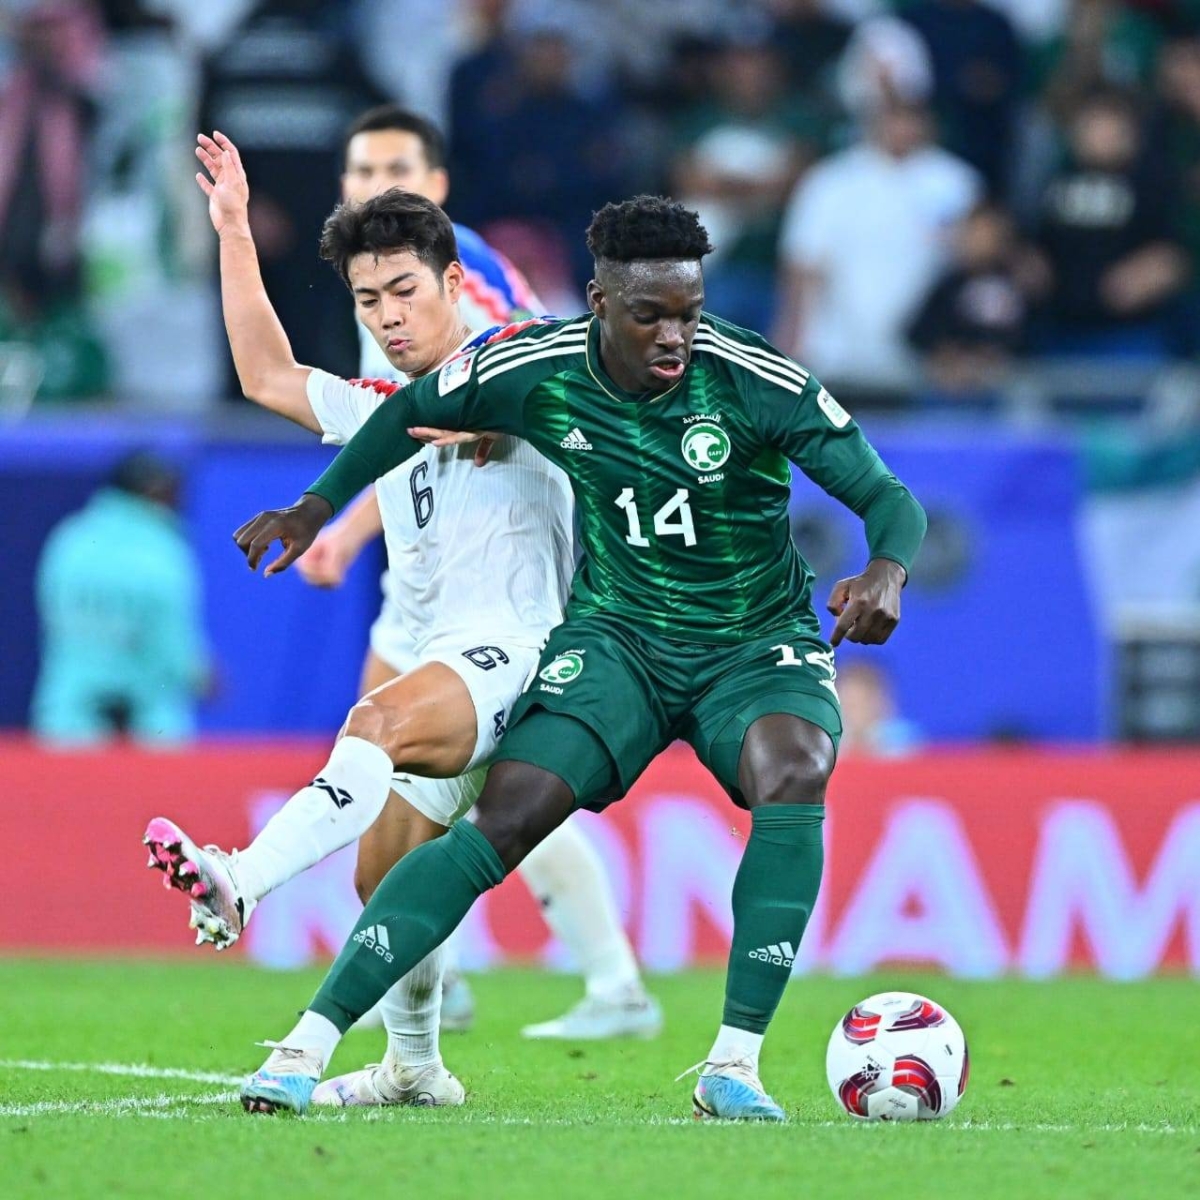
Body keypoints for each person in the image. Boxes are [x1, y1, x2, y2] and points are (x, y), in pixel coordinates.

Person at [230, 194, 927, 1120]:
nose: (675, 336)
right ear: (599, 304)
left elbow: (889, 498)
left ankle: (733, 1066)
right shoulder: (538, 368)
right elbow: (407, 416)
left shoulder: (757, 379)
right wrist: (315, 509)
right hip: (617, 642)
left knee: (795, 768)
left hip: (753, 645)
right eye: (650, 315)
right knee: (505, 814)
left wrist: (885, 569)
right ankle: (305, 1048)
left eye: (689, 312)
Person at [143, 133, 659, 1111]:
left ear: (454, 283)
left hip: (528, 654)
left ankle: (239, 881)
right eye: (367, 299)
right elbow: (265, 375)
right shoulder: (381, 405)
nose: (386, 315)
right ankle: (414, 1065)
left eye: (405, 292)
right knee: (387, 876)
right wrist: (234, 230)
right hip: (450, 658)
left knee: (374, 720)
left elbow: (607, 376)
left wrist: (507, 407)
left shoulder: (530, 368)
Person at [295, 105, 661, 1041]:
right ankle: (452, 982)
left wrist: (347, 525)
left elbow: (503, 397)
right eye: (360, 168)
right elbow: (410, 428)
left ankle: (586, 981)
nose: (374, 181)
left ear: (438, 186)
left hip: (489, 564)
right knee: (428, 777)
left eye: (395, 167)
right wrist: (357, 525)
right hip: (423, 559)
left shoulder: (468, 280)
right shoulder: (381, 279)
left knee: (459, 777)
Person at [32, 451, 208, 744]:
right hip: (149, 729)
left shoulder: (69, 539)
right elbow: (175, 650)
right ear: (153, 492)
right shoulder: (163, 550)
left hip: (68, 721)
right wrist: (201, 677)